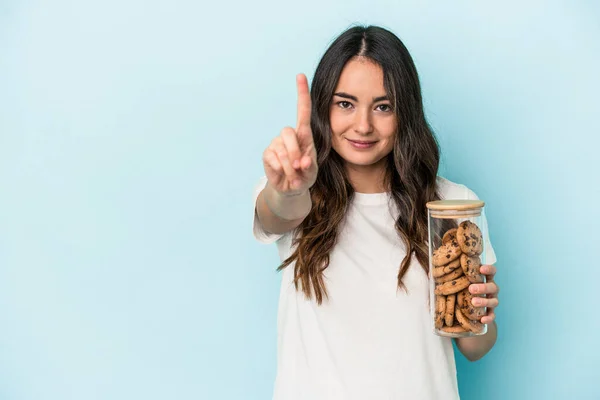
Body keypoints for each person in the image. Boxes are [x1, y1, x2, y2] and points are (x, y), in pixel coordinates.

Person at [252, 25, 500, 400]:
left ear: (406, 113)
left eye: (383, 106)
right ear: (323, 107)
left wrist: (478, 312)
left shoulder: (450, 205)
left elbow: (475, 349)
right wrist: (290, 189)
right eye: (345, 103)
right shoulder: (298, 191)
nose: (363, 125)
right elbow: (279, 211)